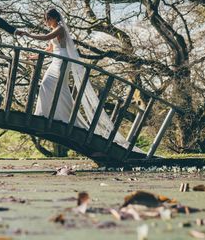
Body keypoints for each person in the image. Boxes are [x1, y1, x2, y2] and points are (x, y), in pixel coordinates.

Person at [21, 8, 130, 148]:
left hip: (62, 60)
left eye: (48, 18)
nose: (46, 21)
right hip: (55, 60)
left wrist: (27, 34)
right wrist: (35, 56)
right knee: (47, 85)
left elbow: (45, 38)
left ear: (55, 18)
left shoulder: (59, 28)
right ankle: (49, 115)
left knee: (57, 87)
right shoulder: (54, 29)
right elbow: (49, 48)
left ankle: (62, 118)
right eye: (45, 19)